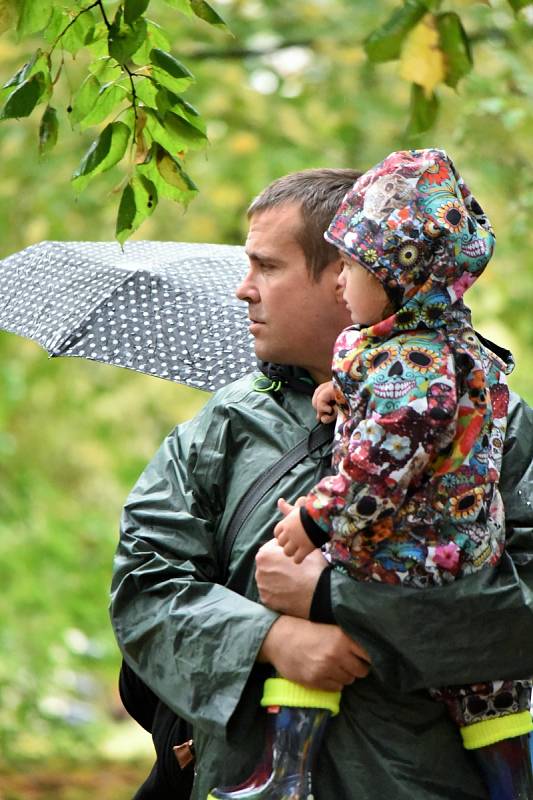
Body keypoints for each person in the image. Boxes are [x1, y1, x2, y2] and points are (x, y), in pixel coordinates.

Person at [110, 167, 533, 800]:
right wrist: (273, 638)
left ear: (350, 271)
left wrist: (339, 603)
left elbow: (524, 609)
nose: (242, 290)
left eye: (266, 267)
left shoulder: (493, 420)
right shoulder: (221, 426)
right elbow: (143, 586)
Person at [271, 149, 532, 796]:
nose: (337, 283)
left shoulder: (412, 362)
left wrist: (316, 516)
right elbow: (413, 416)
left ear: (399, 277)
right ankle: (512, 784)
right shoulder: (434, 344)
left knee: (304, 614)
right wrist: (340, 393)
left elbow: (382, 460)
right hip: (466, 550)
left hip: (407, 552)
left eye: (352, 268)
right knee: (490, 694)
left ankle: (284, 770)